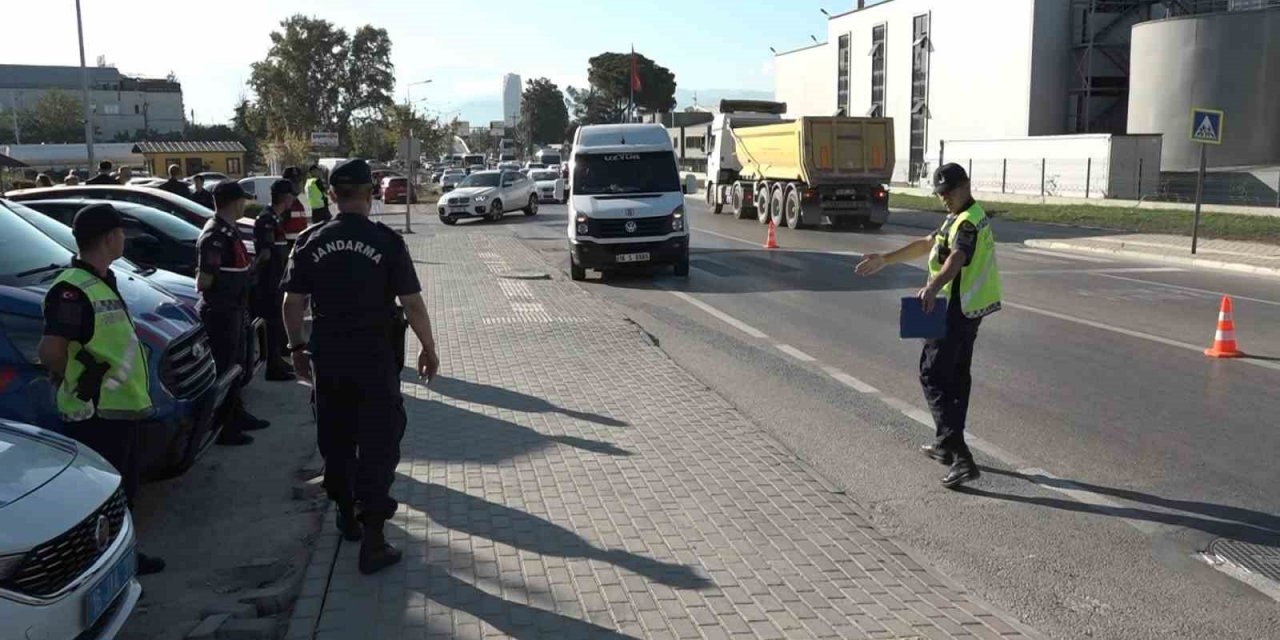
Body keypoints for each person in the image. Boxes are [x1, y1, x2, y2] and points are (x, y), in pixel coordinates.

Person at [281, 159, 439, 575]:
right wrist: (428, 347)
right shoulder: (386, 241)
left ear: (332, 196)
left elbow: (292, 303)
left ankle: (345, 515)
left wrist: (296, 348)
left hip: (330, 357)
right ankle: (373, 539)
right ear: (371, 194)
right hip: (374, 358)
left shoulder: (310, 241)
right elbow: (412, 303)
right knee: (378, 443)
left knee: (335, 439)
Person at [37, 203, 167, 576]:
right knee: (103, 498)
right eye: (121, 232)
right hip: (95, 412)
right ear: (109, 237)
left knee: (124, 491)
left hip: (119, 407)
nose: (124, 237)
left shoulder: (100, 280)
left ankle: (124, 555)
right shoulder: (72, 290)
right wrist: (71, 376)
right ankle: (107, 567)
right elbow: (51, 350)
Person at [854, 163, 1002, 489]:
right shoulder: (960, 216)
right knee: (956, 379)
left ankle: (960, 456)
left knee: (932, 375)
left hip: (954, 310)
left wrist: (933, 286)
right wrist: (886, 259)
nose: (944, 198)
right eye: (940, 193)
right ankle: (945, 445)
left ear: (965, 186)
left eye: (949, 192)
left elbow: (957, 258)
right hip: (966, 309)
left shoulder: (968, 223)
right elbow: (927, 243)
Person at [197, 181, 270, 445]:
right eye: (242, 200)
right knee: (225, 367)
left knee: (237, 364)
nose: (245, 204)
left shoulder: (229, 230)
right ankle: (225, 426)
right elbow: (205, 280)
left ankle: (236, 413)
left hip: (235, 308)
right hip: (221, 312)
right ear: (234, 202)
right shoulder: (215, 235)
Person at [253, 179, 297, 381]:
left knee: (277, 322)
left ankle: (278, 360)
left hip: (277, 279)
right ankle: (273, 366)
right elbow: (265, 254)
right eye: (291, 195)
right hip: (269, 281)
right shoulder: (266, 220)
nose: (293, 199)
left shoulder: (274, 218)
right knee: (272, 324)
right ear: (285, 197)